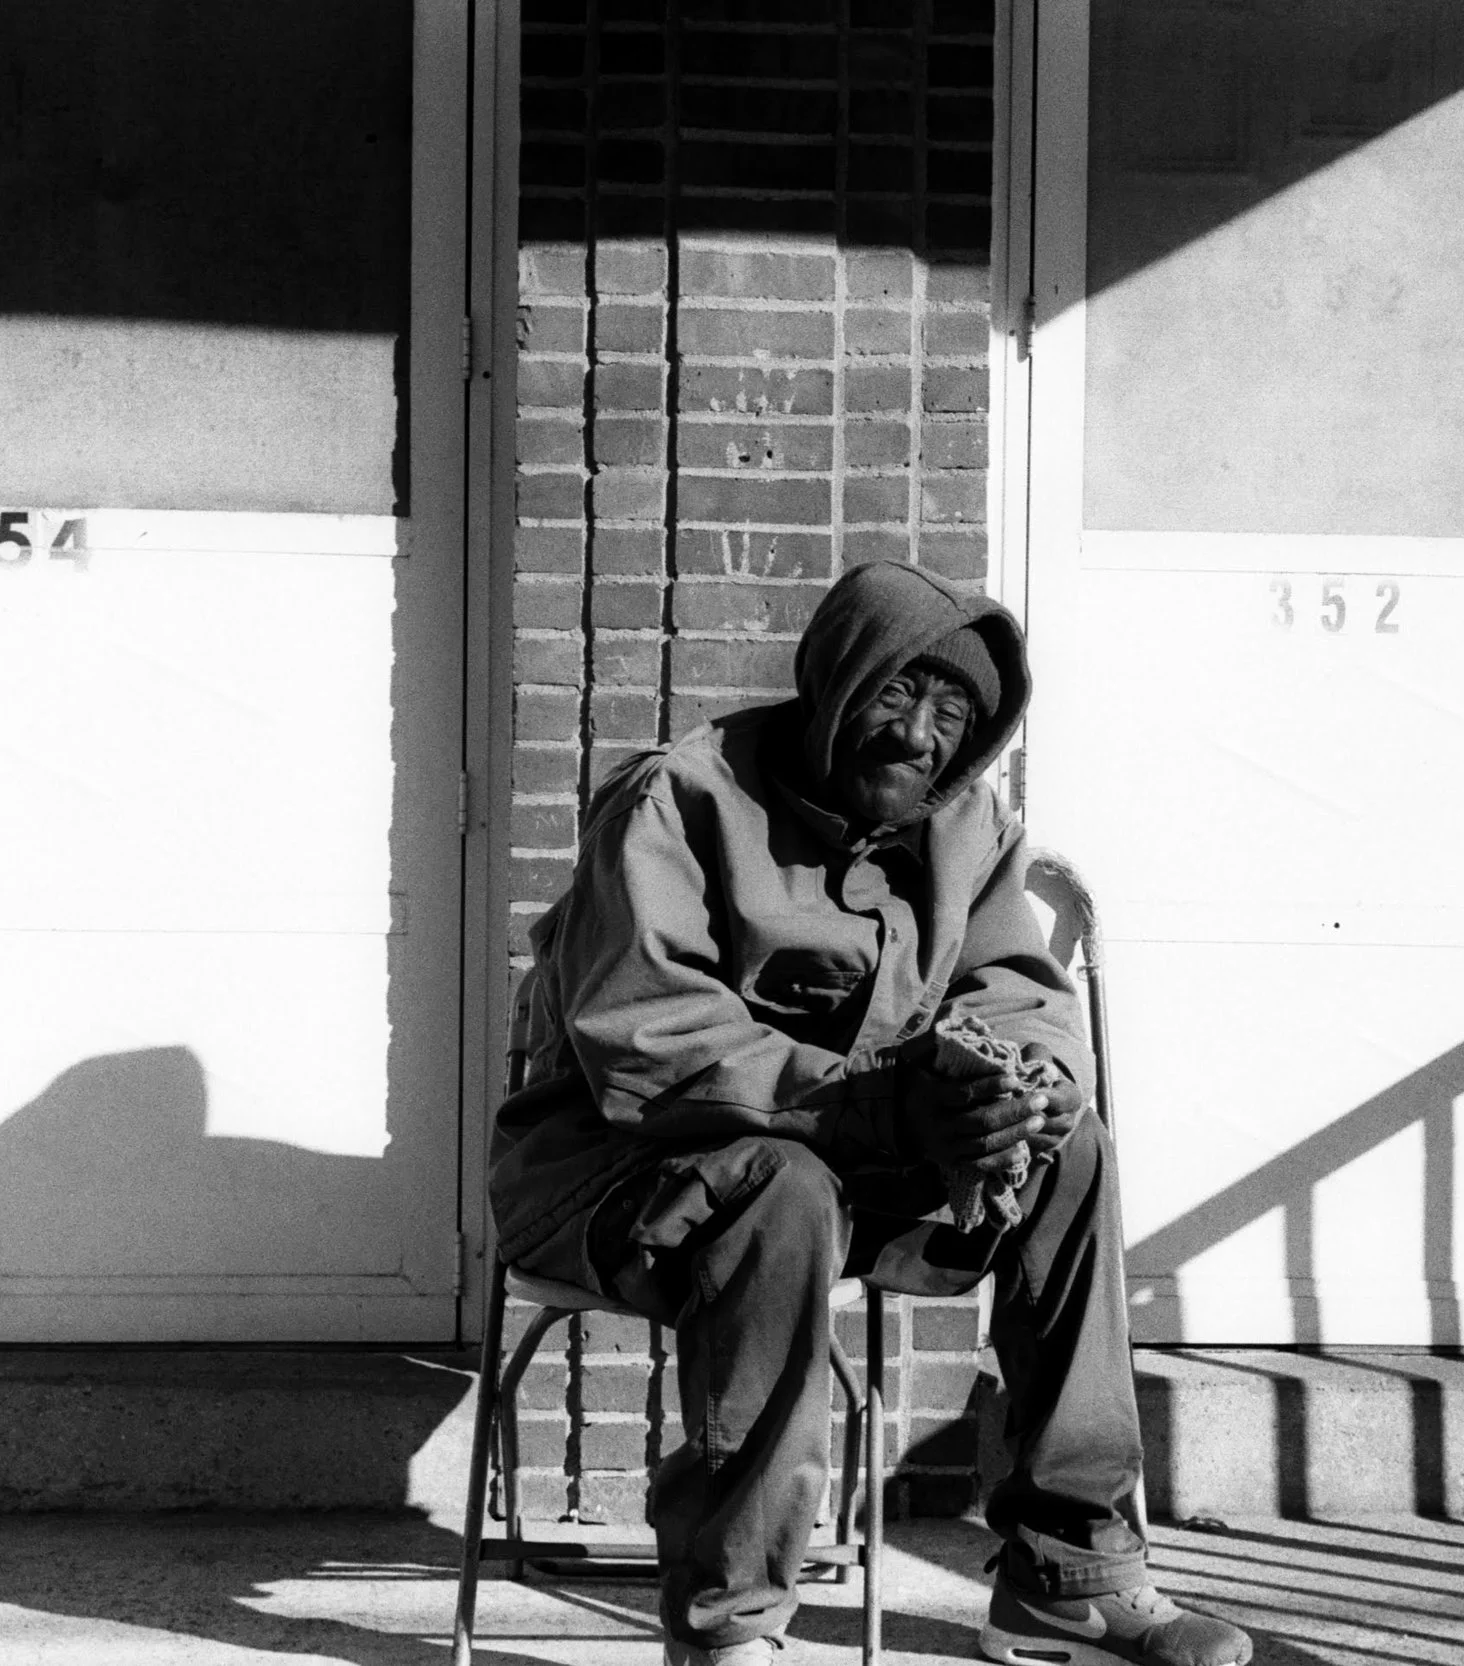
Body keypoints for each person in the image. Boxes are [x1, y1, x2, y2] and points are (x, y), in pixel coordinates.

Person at [491, 561, 1252, 1666]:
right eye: (898, 694)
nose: (920, 736)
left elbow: (1020, 994)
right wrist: (875, 1107)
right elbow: (644, 1040)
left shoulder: (968, 827)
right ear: (835, 683)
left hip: (847, 1169)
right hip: (617, 1173)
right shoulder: (678, 798)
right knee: (780, 1186)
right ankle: (728, 1622)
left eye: (955, 712)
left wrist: (1014, 1090)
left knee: (1066, 1151)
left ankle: (1066, 1573)